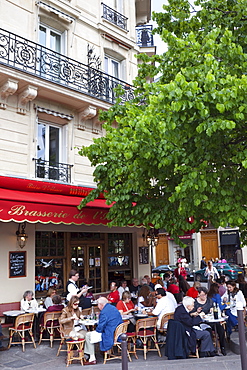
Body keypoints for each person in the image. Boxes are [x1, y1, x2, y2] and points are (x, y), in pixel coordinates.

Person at [83, 297, 123, 365]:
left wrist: (96, 329)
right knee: (91, 335)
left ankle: (91, 358)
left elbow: (100, 328)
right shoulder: (113, 308)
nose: (97, 306)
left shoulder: (104, 312)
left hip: (109, 334)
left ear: (101, 304)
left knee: (88, 335)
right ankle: (88, 354)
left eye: (98, 304)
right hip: (117, 333)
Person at [194, 286, 226, 355]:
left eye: (205, 295)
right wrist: (198, 312)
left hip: (211, 320)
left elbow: (213, 308)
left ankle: (222, 347)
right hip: (202, 322)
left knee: (221, 330)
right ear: (198, 294)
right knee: (208, 331)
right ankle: (210, 350)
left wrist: (212, 310)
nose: (204, 296)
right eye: (202, 295)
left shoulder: (209, 300)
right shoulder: (195, 303)